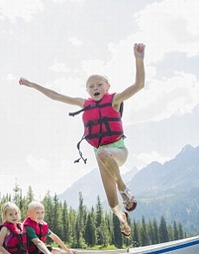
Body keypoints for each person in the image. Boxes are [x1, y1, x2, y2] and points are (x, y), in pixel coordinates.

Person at [19, 43, 146, 238]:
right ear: (87, 91)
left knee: (104, 153)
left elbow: (138, 85)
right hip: (100, 154)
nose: (95, 88)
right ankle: (123, 220)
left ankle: (124, 189)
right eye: (91, 86)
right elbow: (55, 96)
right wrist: (32, 84)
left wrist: (139, 59)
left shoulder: (114, 100)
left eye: (99, 84)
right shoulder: (83, 103)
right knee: (112, 204)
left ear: (108, 87)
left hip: (117, 150)